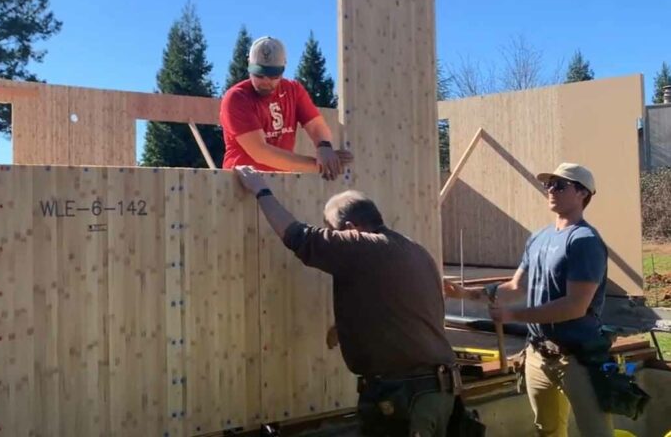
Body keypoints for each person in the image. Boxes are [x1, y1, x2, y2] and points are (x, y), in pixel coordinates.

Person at [234, 165, 459, 437]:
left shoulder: (363, 246)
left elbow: (299, 238)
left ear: (352, 228)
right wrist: (346, 328)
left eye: (333, 230)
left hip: (405, 396)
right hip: (434, 392)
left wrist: (261, 190)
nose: (334, 237)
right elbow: (395, 306)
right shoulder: (413, 250)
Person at [467, 162, 612, 437]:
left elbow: (574, 306)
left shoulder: (584, 241)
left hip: (577, 357)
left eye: (560, 185)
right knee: (547, 430)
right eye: (548, 184)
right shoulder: (538, 238)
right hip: (538, 355)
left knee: (596, 432)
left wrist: (513, 316)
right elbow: (515, 287)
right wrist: (466, 295)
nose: (550, 190)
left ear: (583, 193)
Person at [220, 36, 352, 180]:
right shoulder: (237, 98)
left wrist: (324, 145)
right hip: (241, 183)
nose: (265, 81)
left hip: (281, 182)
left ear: (284, 69)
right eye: (259, 74)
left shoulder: (293, 90)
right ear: (249, 65)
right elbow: (260, 153)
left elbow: (315, 126)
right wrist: (320, 165)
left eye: (273, 76)